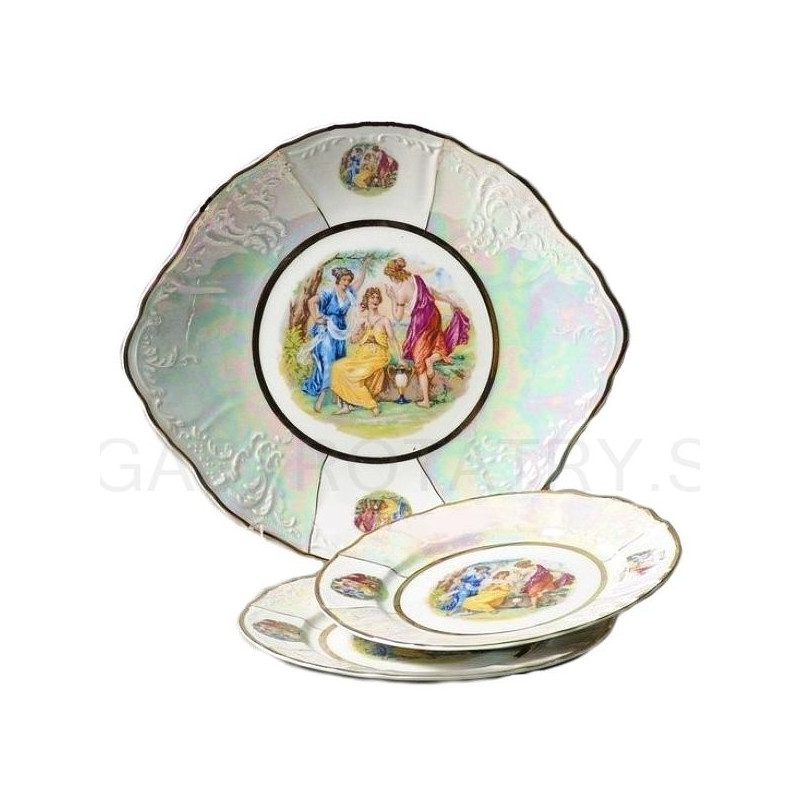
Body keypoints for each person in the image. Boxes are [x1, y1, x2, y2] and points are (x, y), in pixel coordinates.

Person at [383, 257, 470, 407]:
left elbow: (397, 317)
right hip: (434, 316)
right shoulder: (417, 279)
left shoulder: (400, 292)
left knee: (419, 360)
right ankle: (431, 360)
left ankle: (426, 400)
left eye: (390, 277)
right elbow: (435, 294)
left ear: (393, 276)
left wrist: (392, 299)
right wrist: (452, 302)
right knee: (438, 344)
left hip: (420, 323)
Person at [302, 264, 365, 411]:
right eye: (344, 279)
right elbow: (311, 301)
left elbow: (360, 281)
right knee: (328, 360)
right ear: (338, 279)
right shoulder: (329, 293)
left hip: (340, 332)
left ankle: (338, 396)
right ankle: (323, 395)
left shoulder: (349, 293)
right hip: (327, 331)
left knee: (339, 362)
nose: (346, 283)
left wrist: (365, 266)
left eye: (348, 280)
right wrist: (316, 318)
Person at [330, 287, 402, 416]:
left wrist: (400, 358)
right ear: (367, 300)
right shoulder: (362, 320)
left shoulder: (384, 320)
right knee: (337, 367)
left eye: (377, 298)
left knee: (355, 375)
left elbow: (393, 339)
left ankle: (372, 406)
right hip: (361, 356)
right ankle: (345, 405)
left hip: (378, 356)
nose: (375, 300)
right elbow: (353, 340)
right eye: (372, 297)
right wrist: (361, 331)